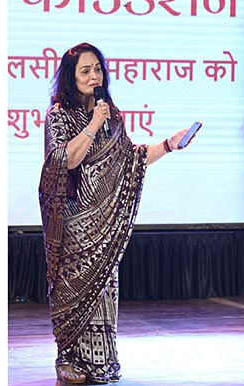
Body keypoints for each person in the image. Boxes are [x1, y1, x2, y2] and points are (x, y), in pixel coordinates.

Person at [38, 42, 191, 384]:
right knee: (72, 291)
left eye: (98, 69)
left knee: (103, 291)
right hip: (73, 221)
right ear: (70, 76)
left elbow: (131, 159)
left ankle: (99, 360)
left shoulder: (112, 114)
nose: (94, 76)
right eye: (85, 71)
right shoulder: (59, 115)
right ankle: (67, 359)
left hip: (104, 223)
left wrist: (168, 144)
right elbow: (65, 160)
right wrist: (92, 124)